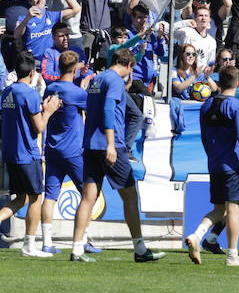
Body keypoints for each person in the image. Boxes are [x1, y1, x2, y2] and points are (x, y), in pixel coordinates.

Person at [69, 49, 165, 263]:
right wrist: (111, 144)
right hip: (109, 146)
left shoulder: (98, 78)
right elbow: (108, 110)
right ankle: (140, 249)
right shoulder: (114, 81)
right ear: (129, 66)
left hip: (91, 145)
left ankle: (76, 249)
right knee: (130, 195)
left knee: (88, 197)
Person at [184, 65, 239, 267]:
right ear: (236, 83)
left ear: (219, 82)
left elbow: (204, 136)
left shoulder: (206, 105)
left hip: (215, 164)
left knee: (219, 209)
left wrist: (212, 155)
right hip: (233, 165)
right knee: (233, 210)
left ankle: (197, 235)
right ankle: (233, 255)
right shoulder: (238, 105)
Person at [40, 50, 102, 255]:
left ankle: (47, 242)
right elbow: (93, 110)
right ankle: (82, 239)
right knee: (88, 194)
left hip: (52, 149)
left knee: (50, 196)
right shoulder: (77, 92)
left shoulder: (50, 88)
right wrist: (84, 88)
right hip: (73, 151)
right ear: (75, 68)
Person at [0, 51, 61, 257]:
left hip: (10, 153)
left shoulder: (7, 91)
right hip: (27, 153)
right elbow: (39, 127)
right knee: (36, 197)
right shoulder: (29, 93)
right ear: (34, 71)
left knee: (23, 197)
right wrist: (49, 110)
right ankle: (29, 245)